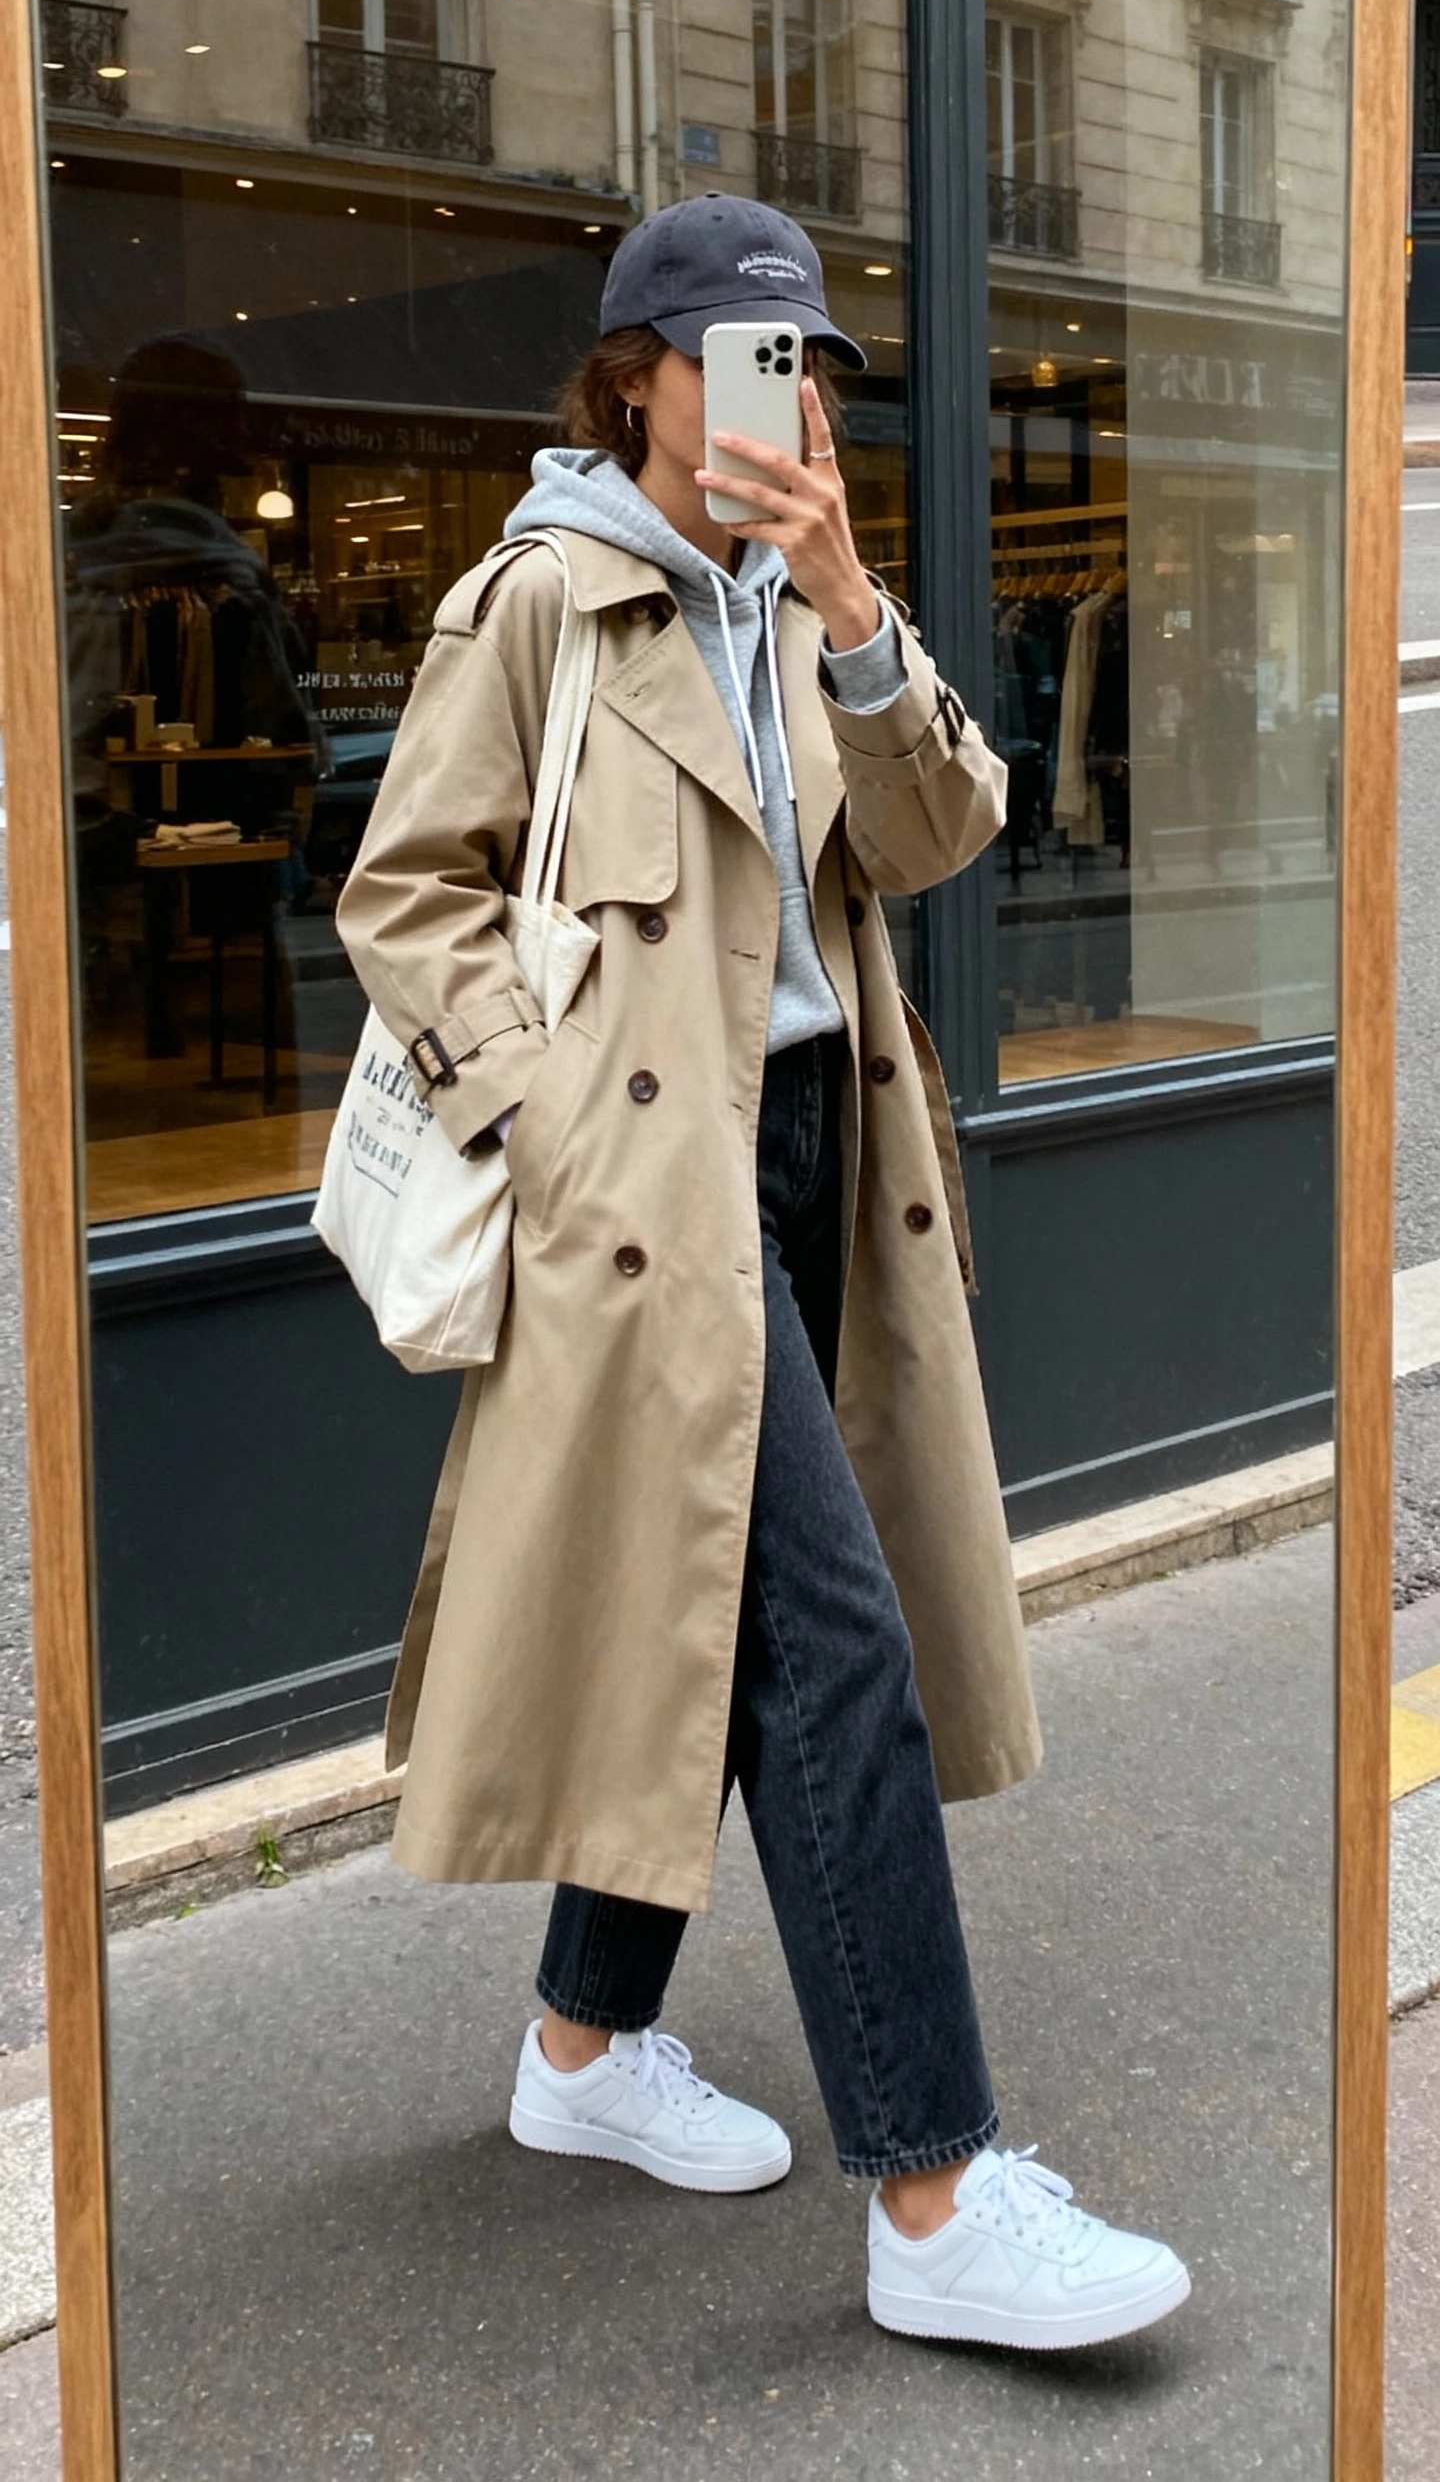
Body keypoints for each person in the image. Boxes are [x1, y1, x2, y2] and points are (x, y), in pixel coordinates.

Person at [337, 195, 1190, 2351]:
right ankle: (936, 2193)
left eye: (803, 360)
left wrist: (852, 609)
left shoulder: (802, 602)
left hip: (818, 1159)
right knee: (836, 1652)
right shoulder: (539, 599)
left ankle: (581, 2045)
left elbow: (941, 833)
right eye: (739, 355)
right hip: (646, 1199)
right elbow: (405, 894)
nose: (779, 397)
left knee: (721, 1616)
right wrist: (541, 1120)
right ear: (636, 376)